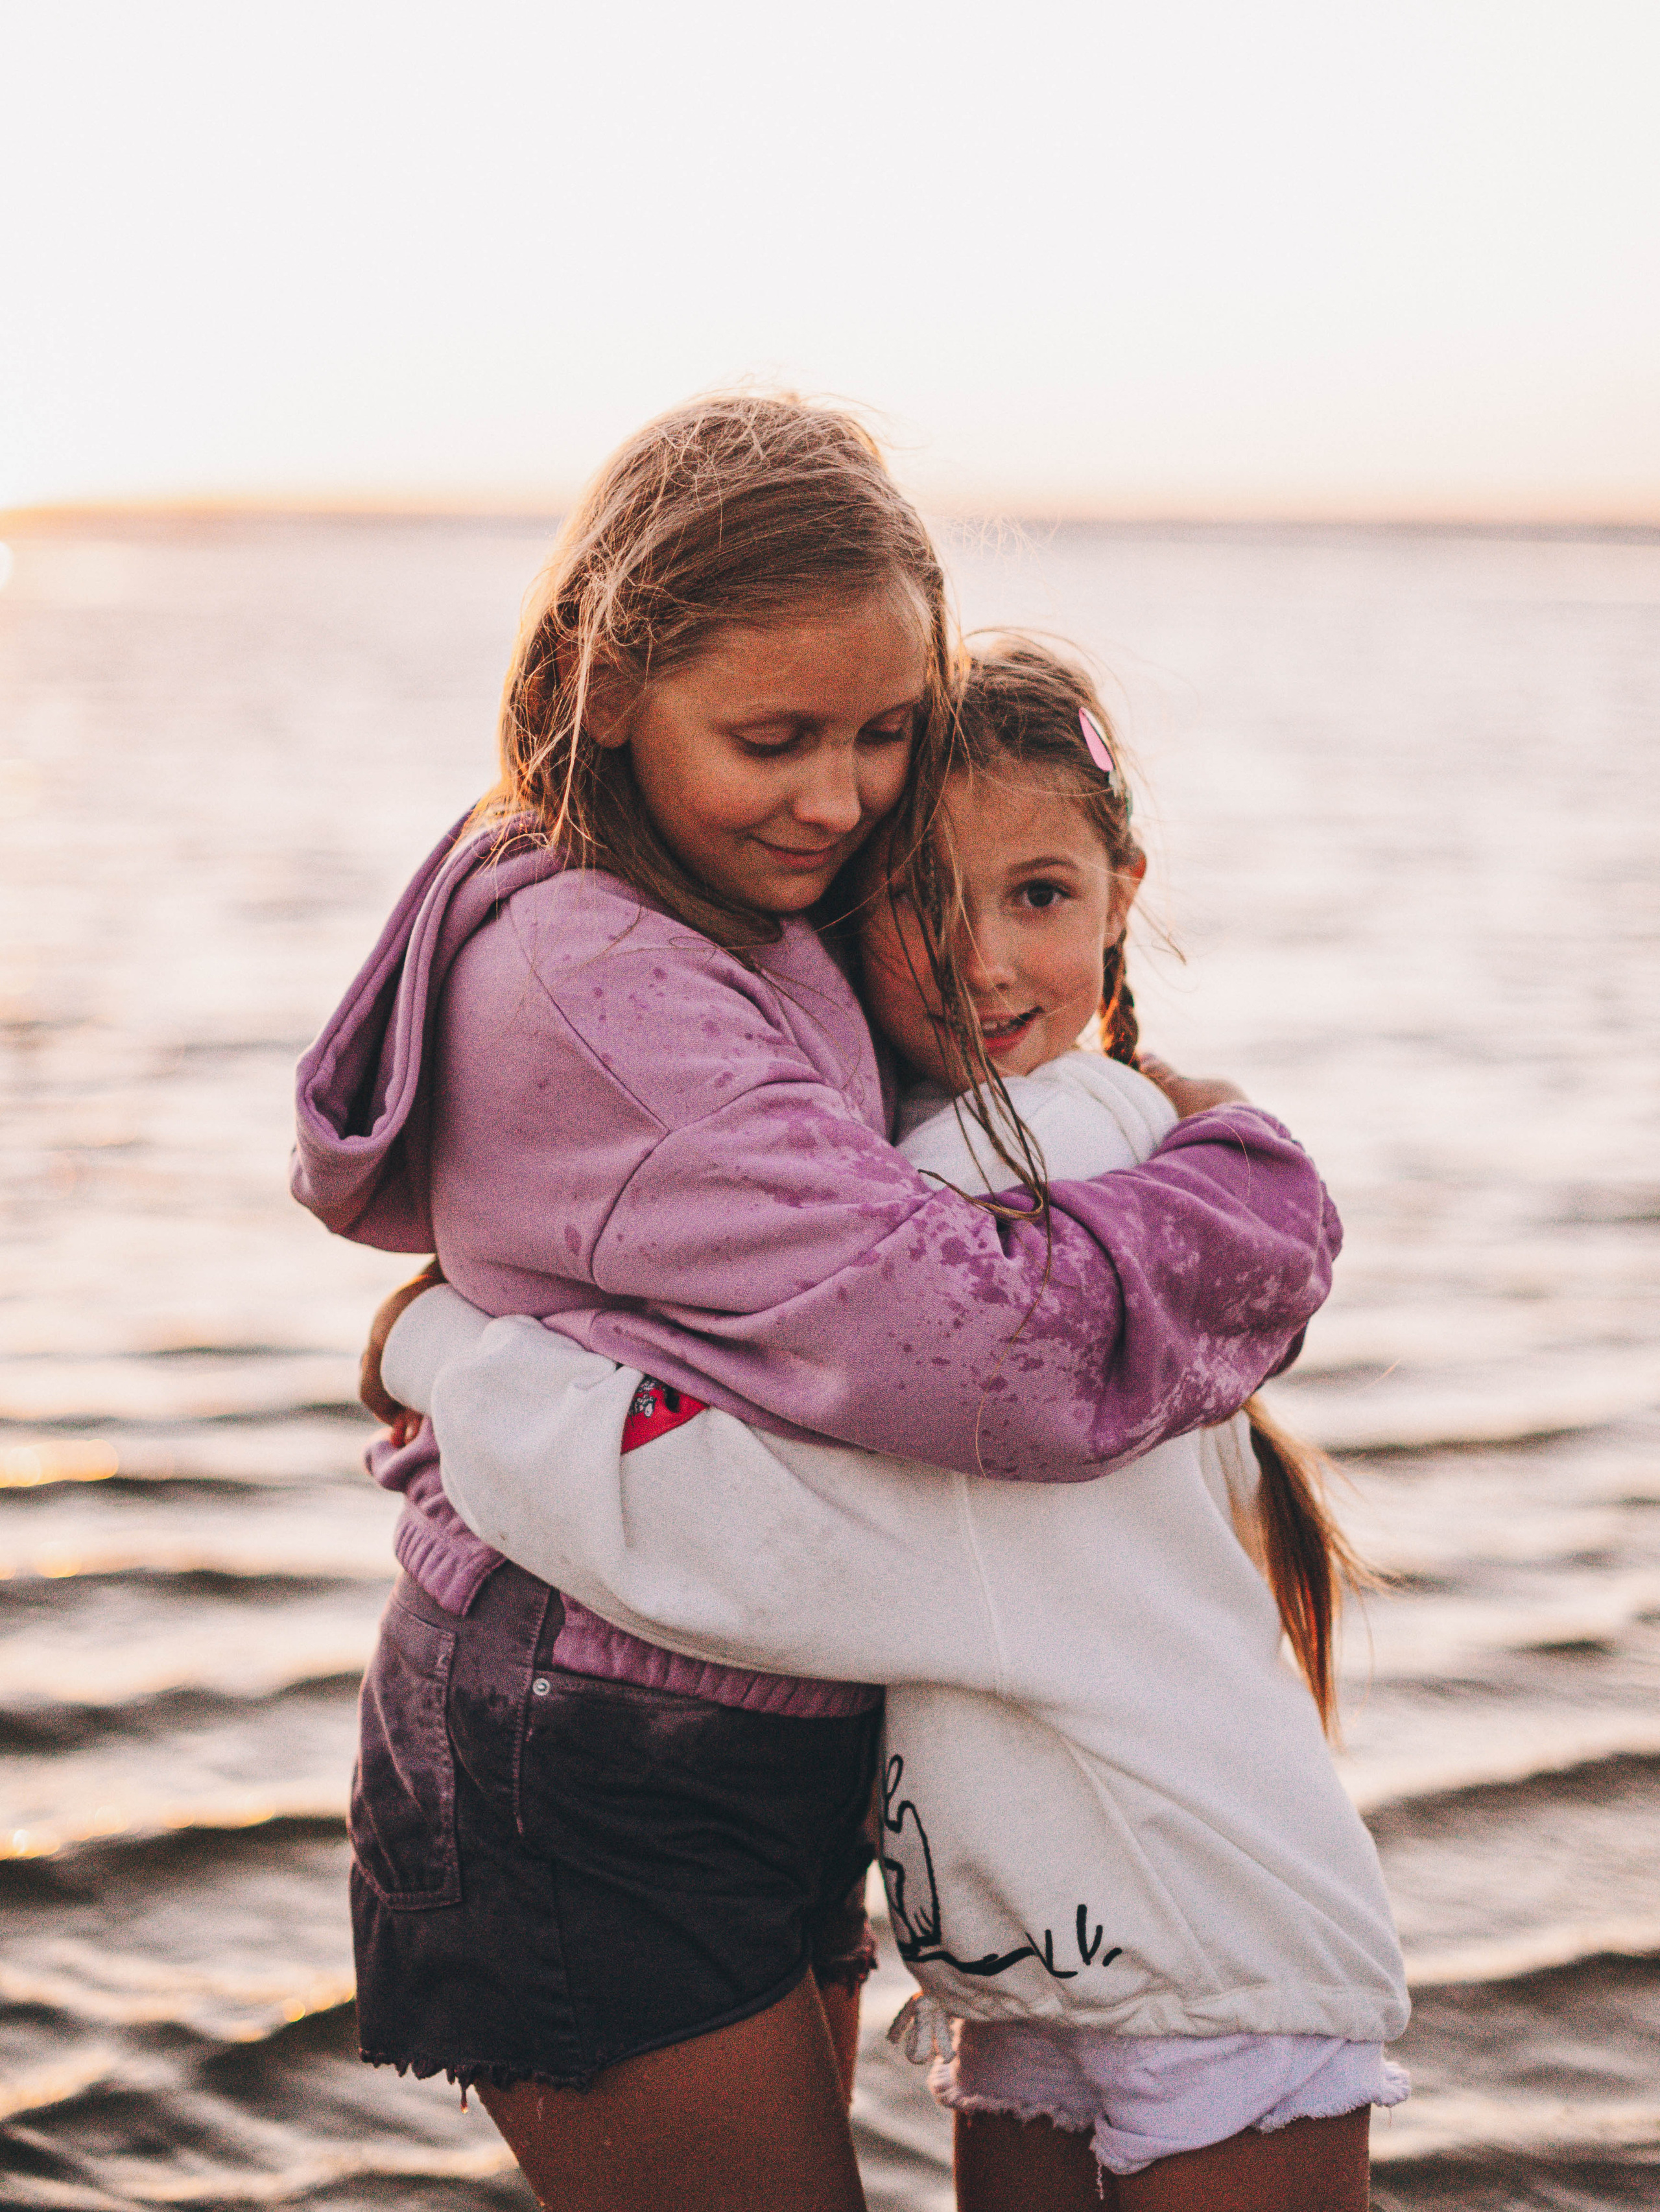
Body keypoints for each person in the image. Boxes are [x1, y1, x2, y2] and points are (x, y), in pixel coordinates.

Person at [294, 399, 1345, 2212]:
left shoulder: (727, 897)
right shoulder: (603, 967)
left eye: (879, 735)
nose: (839, 799)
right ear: (609, 682)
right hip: (594, 1753)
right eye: (775, 737)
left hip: (741, 1717)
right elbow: (967, 1347)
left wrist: (447, 1338)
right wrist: (1257, 1193)